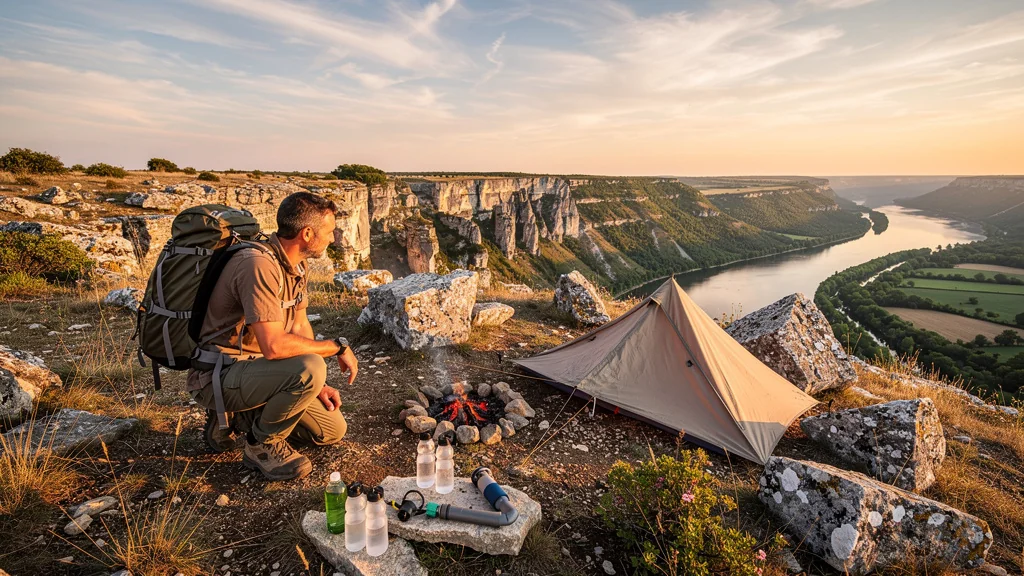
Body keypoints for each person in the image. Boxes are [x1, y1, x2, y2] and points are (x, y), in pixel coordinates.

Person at [186, 192, 359, 481]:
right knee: (311, 367)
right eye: (329, 232)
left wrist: (320, 385)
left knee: (331, 431)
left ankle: (242, 417)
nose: (333, 238)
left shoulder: (296, 265)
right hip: (221, 373)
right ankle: (262, 446)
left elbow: (299, 324)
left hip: (256, 371)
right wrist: (337, 348)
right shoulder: (258, 265)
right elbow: (275, 347)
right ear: (307, 233)